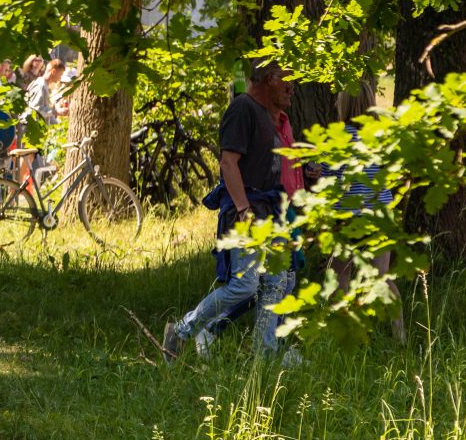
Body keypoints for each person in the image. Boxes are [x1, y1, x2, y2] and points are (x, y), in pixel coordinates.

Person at [163, 62, 294, 360]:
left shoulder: (266, 115)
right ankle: (181, 331)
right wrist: (243, 208)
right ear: (266, 80)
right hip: (248, 212)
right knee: (246, 286)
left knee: (278, 281)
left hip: (269, 211)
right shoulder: (242, 109)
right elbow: (228, 163)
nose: (291, 88)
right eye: (284, 81)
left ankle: (266, 351)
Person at [324, 83, 403, 342]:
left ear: (345, 105)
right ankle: (399, 334)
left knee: (338, 274)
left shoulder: (339, 137)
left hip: (350, 218)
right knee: (382, 277)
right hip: (381, 216)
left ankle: (349, 331)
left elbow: (329, 180)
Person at [25, 58, 68, 126]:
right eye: (61, 74)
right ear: (53, 71)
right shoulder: (40, 86)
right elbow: (36, 109)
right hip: (32, 129)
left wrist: (58, 124)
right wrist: (56, 112)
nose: (61, 77)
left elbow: (46, 113)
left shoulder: (44, 85)